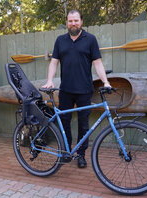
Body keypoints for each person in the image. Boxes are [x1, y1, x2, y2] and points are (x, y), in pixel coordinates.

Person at [42, 10, 111, 168]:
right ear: (67, 22)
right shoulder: (60, 40)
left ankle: (81, 155)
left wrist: (105, 82)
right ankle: (66, 152)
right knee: (64, 122)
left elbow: (98, 63)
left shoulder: (90, 40)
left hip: (85, 90)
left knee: (83, 125)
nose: (73, 23)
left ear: (81, 21)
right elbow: (54, 62)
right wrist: (49, 81)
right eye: (70, 21)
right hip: (65, 89)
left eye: (76, 20)